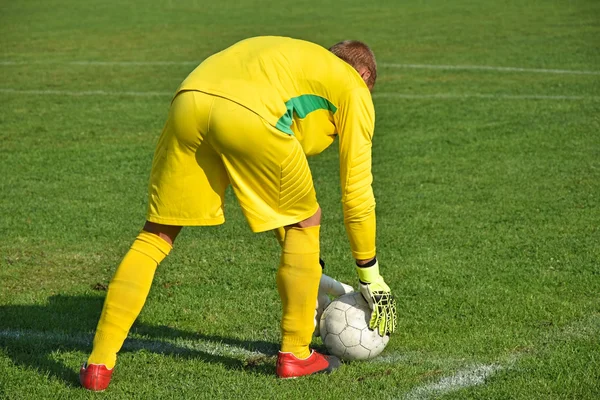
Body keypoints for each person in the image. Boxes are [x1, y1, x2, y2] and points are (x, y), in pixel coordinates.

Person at [79, 36, 397, 391]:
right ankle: (296, 354)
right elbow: (356, 191)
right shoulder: (353, 86)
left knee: (156, 235)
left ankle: (98, 365)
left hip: (189, 99)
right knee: (307, 219)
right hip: (249, 114)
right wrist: (369, 274)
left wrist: (313, 272)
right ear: (365, 74)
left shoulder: (294, 64)